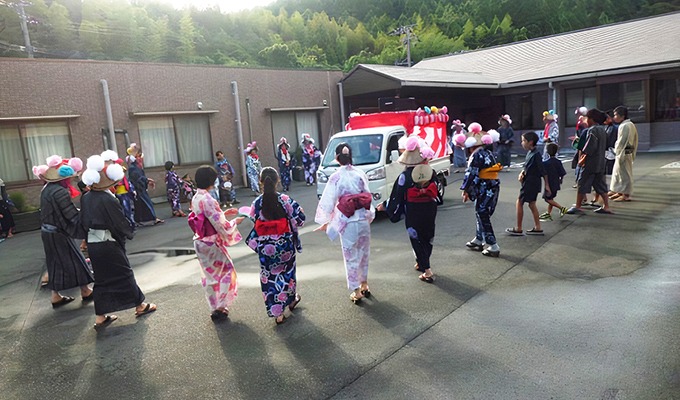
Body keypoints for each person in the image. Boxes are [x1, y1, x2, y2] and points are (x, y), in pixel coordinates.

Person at [80, 152, 157, 329]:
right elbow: (119, 222)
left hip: (93, 244)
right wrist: (128, 233)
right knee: (124, 273)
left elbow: (83, 221)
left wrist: (85, 240)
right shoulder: (108, 199)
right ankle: (140, 306)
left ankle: (100, 316)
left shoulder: (86, 198)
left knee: (100, 279)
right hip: (108, 243)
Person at [315, 143, 375, 304]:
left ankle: (356, 290)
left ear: (336, 158)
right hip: (362, 217)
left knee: (350, 255)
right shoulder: (360, 173)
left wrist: (326, 220)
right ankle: (365, 284)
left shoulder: (335, 177)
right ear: (351, 157)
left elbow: (328, 201)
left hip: (347, 220)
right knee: (364, 253)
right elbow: (367, 194)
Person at [245, 167, 305, 325]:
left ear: (261, 182)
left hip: (266, 247)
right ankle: (291, 301)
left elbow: (253, 220)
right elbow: (300, 218)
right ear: (278, 181)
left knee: (269, 278)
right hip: (285, 245)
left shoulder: (257, 203)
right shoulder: (285, 200)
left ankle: (278, 313)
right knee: (288, 274)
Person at [32, 155, 94, 307]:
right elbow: (70, 214)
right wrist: (84, 220)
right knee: (75, 260)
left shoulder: (46, 189)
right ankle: (85, 290)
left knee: (55, 264)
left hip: (47, 232)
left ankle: (56, 296)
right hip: (58, 233)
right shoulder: (60, 191)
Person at [378, 136, 439, 281]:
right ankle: (422, 262)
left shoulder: (405, 176)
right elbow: (436, 191)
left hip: (414, 209)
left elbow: (396, 196)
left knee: (416, 237)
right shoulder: (431, 173)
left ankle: (427, 270)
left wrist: (385, 206)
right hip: (429, 208)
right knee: (427, 235)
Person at [189, 165, 243, 321]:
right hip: (211, 242)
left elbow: (207, 217)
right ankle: (221, 305)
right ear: (211, 181)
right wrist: (234, 222)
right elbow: (220, 224)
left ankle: (214, 306)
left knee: (209, 275)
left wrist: (224, 213)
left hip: (199, 241)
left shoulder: (196, 197)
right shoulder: (209, 199)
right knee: (227, 270)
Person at [456, 123, 502, 257]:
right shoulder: (488, 152)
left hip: (484, 186)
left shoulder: (476, 156)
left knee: (482, 213)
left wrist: (466, 190)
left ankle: (493, 245)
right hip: (492, 185)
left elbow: (471, 174)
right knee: (480, 212)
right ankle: (479, 239)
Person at [565, 108, 613, 215]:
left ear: (592, 119)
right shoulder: (602, 130)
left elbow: (590, 148)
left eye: (587, 118)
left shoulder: (592, 130)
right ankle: (606, 206)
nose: (586, 120)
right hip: (600, 162)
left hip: (591, 162)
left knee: (582, 183)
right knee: (600, 184)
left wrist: (582, 159)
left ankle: (578, 206)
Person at [506, 131, 551, 236]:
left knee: (520, 202)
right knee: (531, 204)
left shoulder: (536, 154)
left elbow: (543, 171)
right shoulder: (531, 153)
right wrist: (522, 173)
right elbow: (527, 166)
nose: (522, 143)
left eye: (523, 141)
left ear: (530, 142)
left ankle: (518, 228)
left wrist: (547, 185)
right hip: (531, 182)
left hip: (531, 183)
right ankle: (537, 227)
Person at [126, 144, 163, 225]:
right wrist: (146, 180)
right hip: (138, 188)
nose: (141, 158)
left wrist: (147, 180)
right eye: (139, 156)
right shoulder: (133, 168)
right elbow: (138, 178)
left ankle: (139, 219)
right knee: (146, 203)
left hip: (140, 187)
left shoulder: (137, 167)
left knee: (139, 205)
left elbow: (140, 177)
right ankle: (153, 218)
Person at [609, 106, 638, 202]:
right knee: (619, 173)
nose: (614, 117)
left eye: (616, 115)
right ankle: (620, 191)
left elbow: (626, 142)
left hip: (624, 152)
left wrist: (624, 154)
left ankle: (626, 194)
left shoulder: (626, 125)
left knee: (625, 174)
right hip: (623, 152)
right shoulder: (627, 124)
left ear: (622, 116)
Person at [538, 143, 568, 221]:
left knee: (547, 198)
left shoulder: (546, 163)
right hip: (556, 182)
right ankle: (548, 213)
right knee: (551, 198)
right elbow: (562, 173)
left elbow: (544, 174)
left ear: (547, 152)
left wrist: (546, 185)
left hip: (549, 183)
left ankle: (561, 208)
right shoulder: (558, 162)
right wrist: (561, 180)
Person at [113, 158, 136, 230]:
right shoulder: (115, 175)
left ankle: (131, 224)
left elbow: (127, 183)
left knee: (128, 209)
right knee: (125, 210)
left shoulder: (122, 175)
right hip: (120, 194)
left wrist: (132, 190)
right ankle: (129, 225)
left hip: (125, 193)